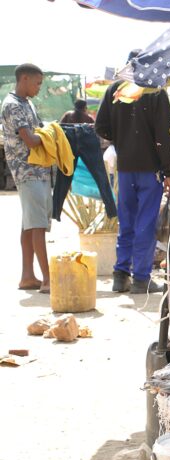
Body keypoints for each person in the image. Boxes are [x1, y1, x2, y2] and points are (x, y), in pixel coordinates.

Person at [96, 52, 170, 294]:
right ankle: (141, 278)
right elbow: (165, 133)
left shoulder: (114, 89)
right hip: (150, 169)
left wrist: (122, 139)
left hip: (126, 168)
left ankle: (120, 276)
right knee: (145, 222)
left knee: (126, 220)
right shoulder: (156, 91)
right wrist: (169, 169)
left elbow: (101, 127)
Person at [2, 63, 52, 293]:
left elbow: (38, 130)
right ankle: (48, 280)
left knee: (30, 226)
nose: (39, 88)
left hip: (38, 170)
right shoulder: (12, 105)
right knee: (38, 225)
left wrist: (48, 133)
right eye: (37, 83)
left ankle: (28, 277)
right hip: (27, 171)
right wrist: (52, 137)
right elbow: (31, 140)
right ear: (24, 79)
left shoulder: (27, 103)